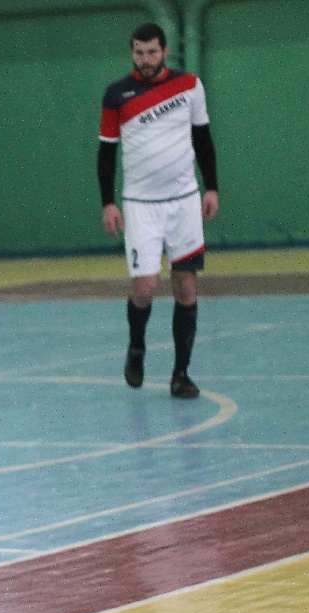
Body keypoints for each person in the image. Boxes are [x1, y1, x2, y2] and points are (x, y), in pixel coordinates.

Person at [98, 22, 219, 399]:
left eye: (152, 52)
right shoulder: (116, 95)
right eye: (139, 52)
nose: (146, 59)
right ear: (132, 53)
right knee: (145, 287)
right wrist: (108, 202)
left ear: (165, 51)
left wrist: (212, 187)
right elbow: (106, 152)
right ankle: (136, 347)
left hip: (184, 202)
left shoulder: (190, 86)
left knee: (185, 286)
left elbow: (203, 138)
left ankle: (181, 374)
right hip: (140, 206)